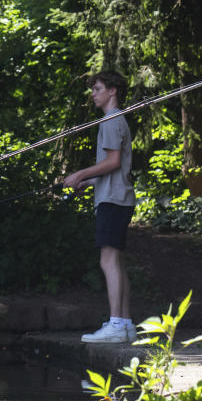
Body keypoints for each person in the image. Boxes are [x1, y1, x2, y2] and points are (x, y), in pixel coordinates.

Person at [64, 70, 138, 344]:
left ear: (112, 91)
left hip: (113, 201)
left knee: (107, 261)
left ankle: (117, 324)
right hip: (117, 197)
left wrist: (80, 174)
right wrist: (89, 181)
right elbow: (114, 169)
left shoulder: (110, 119)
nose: (93, 94)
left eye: (97, 88)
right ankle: (126, 323)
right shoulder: (116, 120)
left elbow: (113, 162)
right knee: (115, 261)